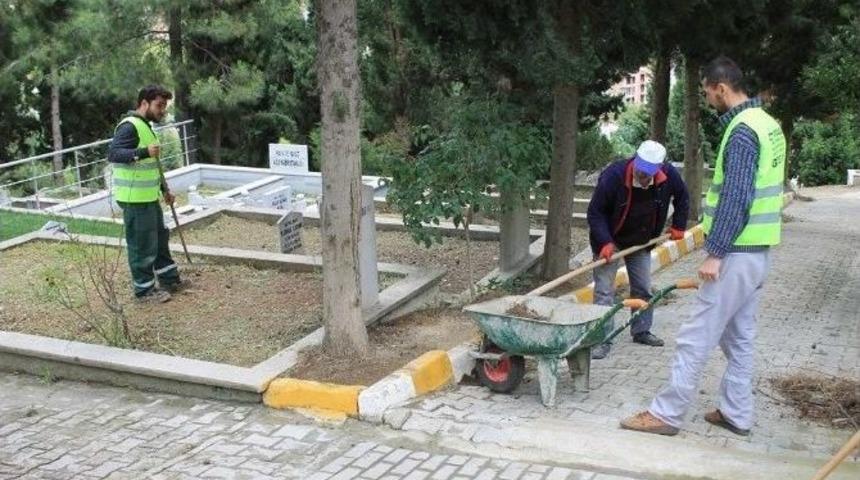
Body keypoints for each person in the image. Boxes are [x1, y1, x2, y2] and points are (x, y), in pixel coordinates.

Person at [621, 56, 785, 436]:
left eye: (709, 92)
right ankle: (736, 413)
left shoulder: (743, 131)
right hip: (757, 253)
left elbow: (736, 196)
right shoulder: (768, 125)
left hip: (736, 255)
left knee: (695, 336)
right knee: (739, 339)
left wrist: (716, 253)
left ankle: (666, 413)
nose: (709, 99)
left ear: (721, 88)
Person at [587, 139, 690, 359]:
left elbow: (682, 197)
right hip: (611, 241)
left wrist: (679, 224)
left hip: (641, 240)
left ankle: (641, 330)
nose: (643, 179)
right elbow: (595, 212)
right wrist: (605, 241)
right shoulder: (613, 176)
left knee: (643, 288)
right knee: (605, 291)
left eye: (648, 175)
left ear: (659, 169)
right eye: (640, 173)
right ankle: (602, 339)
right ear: (635, 162)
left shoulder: (668, 175)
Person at [108, 85, 188, 304]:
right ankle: (144, 292)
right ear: (144, 103)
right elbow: (114, 154)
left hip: (148, 198)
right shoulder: (129, 126)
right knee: (142, 245)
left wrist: (165, 190)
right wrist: (142, 152)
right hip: (134, 200)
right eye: (159, 105)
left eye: (164, 106)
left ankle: (169, 280)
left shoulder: (145, 126)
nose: (162, 111)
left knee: (160, 239)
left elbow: (153, 165)